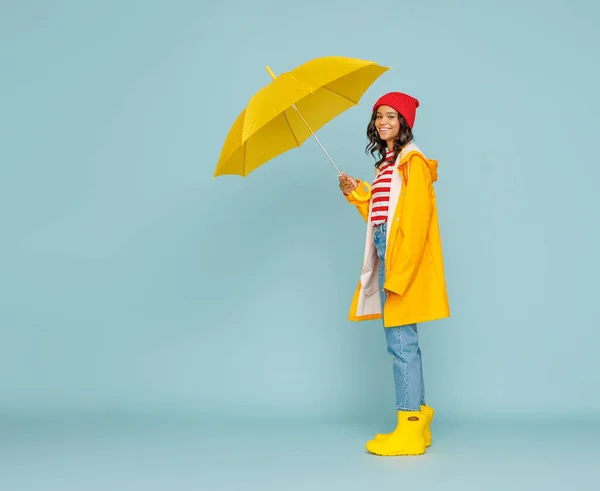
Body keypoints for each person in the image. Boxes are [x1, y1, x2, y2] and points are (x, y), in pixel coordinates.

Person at [338, 92, 450, 456]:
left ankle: (409, 427)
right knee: (402, 342)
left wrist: (398, 275)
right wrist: (358, 193)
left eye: (391, 116)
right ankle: (418, 420)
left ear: (405, 122)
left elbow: (415, 224)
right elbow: (380, 217)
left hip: (402, 258)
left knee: (401, 343)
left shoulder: (411, 162)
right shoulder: (386, 164)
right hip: (388, 248)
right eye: (379, 117)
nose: (383, 122)